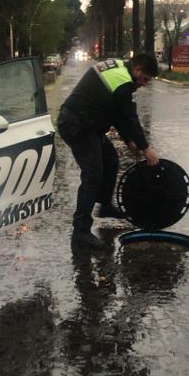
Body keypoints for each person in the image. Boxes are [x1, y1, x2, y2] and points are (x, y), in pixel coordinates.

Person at [57, 53, 160, 248]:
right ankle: (80, 231)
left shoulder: (119, 68)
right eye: (145, 79)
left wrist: (129, 140)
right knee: (93, 175)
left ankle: (104, 205)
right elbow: (129, 116)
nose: (144, 84)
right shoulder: (122, 79)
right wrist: (146, 148)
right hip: (76, 125)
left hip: (87, 123)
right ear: (137, 70)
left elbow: (115, 112)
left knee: (111, 160)